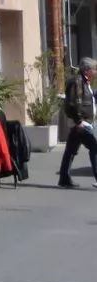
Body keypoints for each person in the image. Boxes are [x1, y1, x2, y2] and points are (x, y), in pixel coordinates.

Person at [59, 57, 97, 189]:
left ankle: (64, 179)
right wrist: (79, 121)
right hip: (81, 123)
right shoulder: (77, 82)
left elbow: (89, 98)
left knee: (70, 150)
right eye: (94, 69)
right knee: (95, 147)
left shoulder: (85, 82)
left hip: (82, 122)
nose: (95, 72)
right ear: (87, 70)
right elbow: (73, 103)